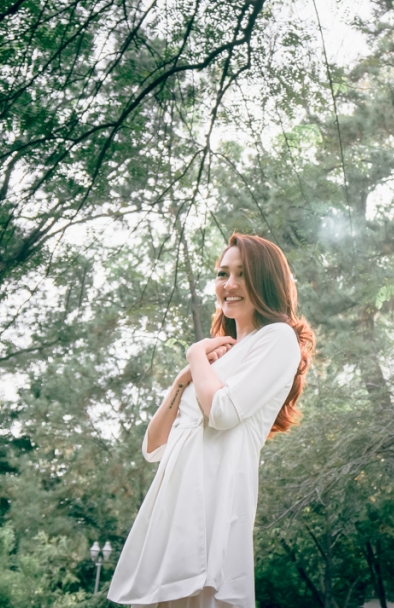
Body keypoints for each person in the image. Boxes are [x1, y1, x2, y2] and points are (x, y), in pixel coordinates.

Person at [108, 233, 315, 608]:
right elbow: (154, 446)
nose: (229, 284)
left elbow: (222, 413)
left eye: (243, 274)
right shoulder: (218, 356)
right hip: (174, 509)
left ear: (266, 281)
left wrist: (194, 355)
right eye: (223, 273)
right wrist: (182, 378)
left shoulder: (277, 338)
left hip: (213, 504)